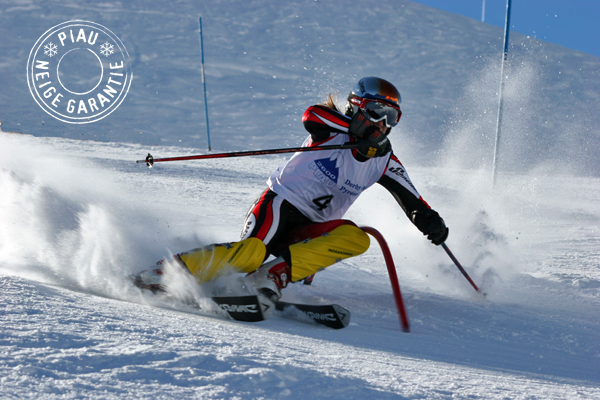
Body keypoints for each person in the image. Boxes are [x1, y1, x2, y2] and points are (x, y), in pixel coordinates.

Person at [137, 77, 448, 301]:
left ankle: (269, 279)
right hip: (281, 204)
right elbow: (311, 115)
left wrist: (431, 222)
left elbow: (414, 201)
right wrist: (353, 131)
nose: (382, 123)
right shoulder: (331, 129)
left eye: (391, 116)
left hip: (312, 229)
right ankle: (166, 273)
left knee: (356, 237)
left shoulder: (385, 161)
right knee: (251, 254)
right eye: (377, 112)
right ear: (357, 108)